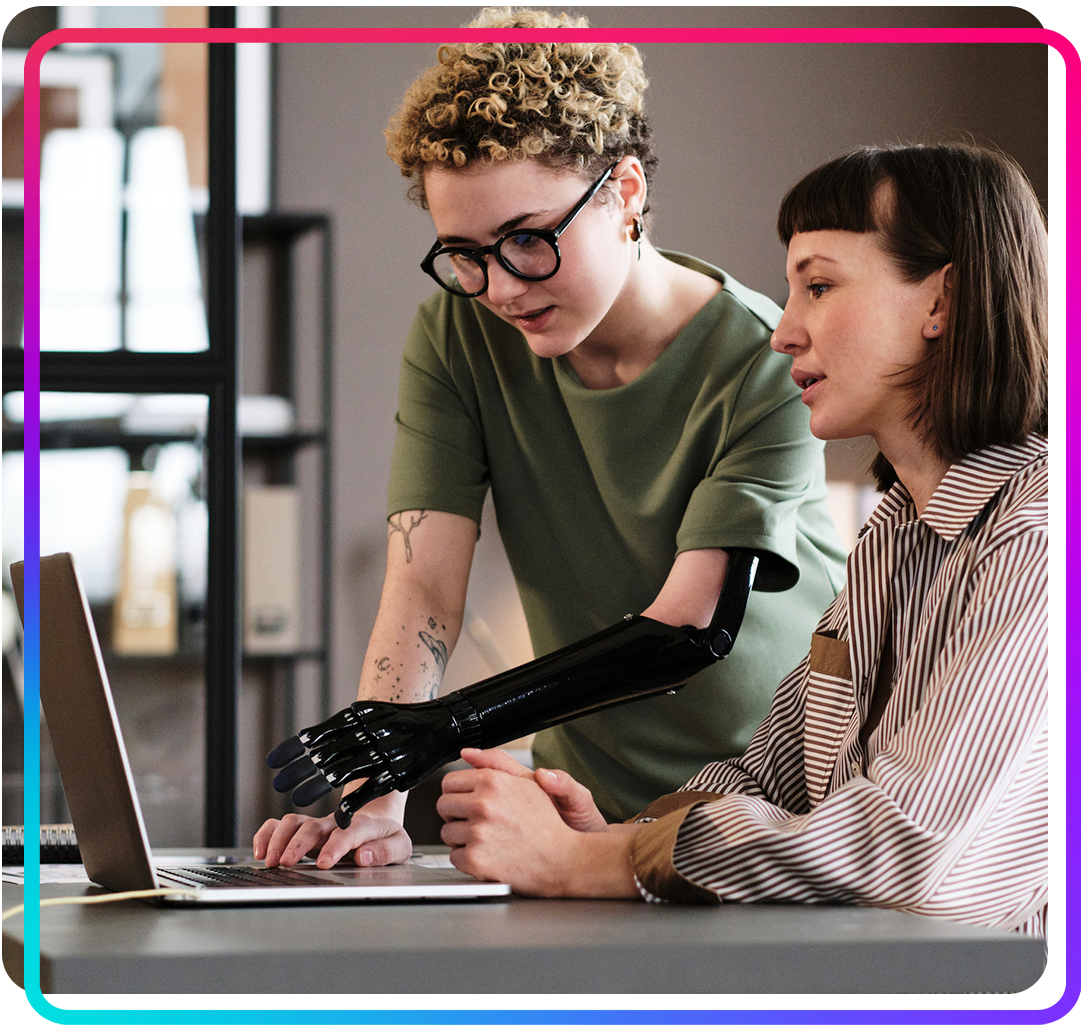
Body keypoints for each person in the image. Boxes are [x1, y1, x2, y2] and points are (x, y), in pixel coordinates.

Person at [254, 7, 846, 870]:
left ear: (626, 193)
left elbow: (689, 629)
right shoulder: (456, 338)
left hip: (765, 817)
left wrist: (440, 728)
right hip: (579, 814)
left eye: (529, 239)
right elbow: (422, 583)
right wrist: (375, 797)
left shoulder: (768, 358)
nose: (498, 286)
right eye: (464, 253)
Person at [436, 142, 1050, 944]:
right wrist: (609, 839)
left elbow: (905, 844)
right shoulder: (893, 536)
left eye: (821, 286)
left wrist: (583, 865)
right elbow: (776, 777)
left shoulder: (1042, 539)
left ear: (943, 301)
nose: (783, 333)